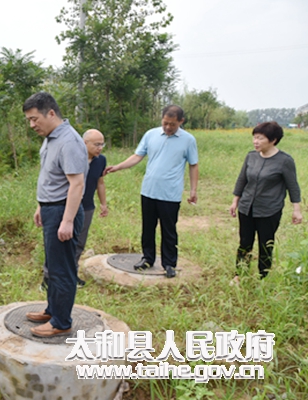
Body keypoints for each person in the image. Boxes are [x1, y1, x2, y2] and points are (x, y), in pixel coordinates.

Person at [105, 105, 198, 278]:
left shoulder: (188, 140)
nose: (168, 127)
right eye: (165, 123)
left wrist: (193, 190)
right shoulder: (150, 135)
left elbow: (193, 164)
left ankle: (169, 264)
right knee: (148, 228)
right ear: (161, 119)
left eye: (172, 124)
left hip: (170, 194)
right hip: (148, 191)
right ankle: (147, 258)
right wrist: (117, 167)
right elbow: (137, 156)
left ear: (181, 121)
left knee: (168, 230)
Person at [23, 92, 87, 338]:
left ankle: (61, 322)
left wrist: (67, 220)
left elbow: (76, 184)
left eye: (34, 119)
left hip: (63, 210)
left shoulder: (69, 141)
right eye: (29, 120)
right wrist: (41, 206)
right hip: (51, 208)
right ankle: (53, 309)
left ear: (51, 113)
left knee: (62, 269)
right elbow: (52, 176)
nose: (32, 125)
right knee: (52, 265)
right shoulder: (51, 138)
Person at [229, 122, 302, 281]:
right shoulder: (251, 156)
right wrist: (235, 201)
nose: (255, 141)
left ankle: (263, 277)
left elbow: (293, 186)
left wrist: (296, 209)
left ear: (273, 140)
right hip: (246, 208)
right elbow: (242, 180)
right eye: (254, 138)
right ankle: (239, 275)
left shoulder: (284, 161)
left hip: (269, 210)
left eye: (260, 138)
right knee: (245, 242)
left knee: (265, 245)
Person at [40, 129, 108, 290]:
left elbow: (100, 183)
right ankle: (48, 278)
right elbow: (49, 181)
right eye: (97, 144)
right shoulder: (72, 157)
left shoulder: (101, 160)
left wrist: (103, 204)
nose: (100, 148)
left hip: (86, 207)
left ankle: (71, 274)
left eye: (102, 144)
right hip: (64, 206)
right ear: (85, 143)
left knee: (78, 244)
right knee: (54, 244)